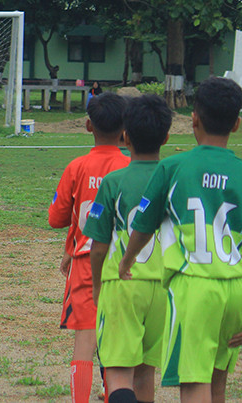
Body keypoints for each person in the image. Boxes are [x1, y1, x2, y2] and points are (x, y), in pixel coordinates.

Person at [120, 77, 242, 403]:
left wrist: (127, 260)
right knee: (217, 383)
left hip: (195, 288)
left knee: (193, 384)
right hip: (237, 290)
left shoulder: (173, 168)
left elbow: (144, 225)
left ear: (193, 118)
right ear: (237, 123)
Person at [83, 94, 172, 403]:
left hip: (123, 283)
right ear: (166, 137)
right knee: (146, 374)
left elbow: (98, 246)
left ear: (126, 136)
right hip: (163, 285)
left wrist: (97, 284)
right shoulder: (172, 179)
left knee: (118, 373)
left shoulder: (114, 182)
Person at [48, 91, 129, 403]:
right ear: (125, 129)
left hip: (85, 261)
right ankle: (113, 392)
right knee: (116, 338)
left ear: (87, 126)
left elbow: (56, 218)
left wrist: (71, 243)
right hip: (124, 262)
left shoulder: (77, 166)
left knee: (85, 340)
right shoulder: (128, 167)